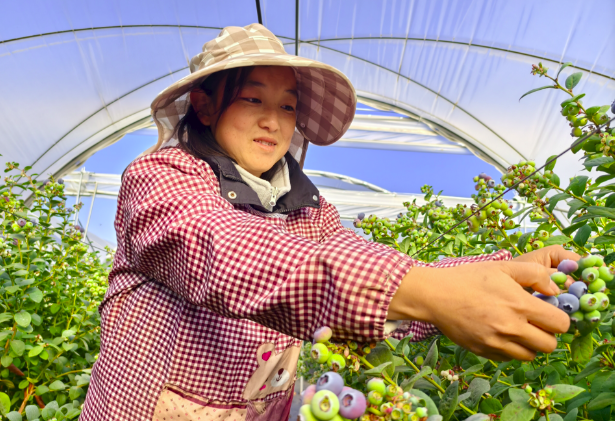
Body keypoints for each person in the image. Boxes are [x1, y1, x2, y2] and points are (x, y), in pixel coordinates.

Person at [81, 23, 576, 421]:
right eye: (252, 99)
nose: (273, 121)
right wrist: (428, 292)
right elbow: (222, 253)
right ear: (205, 105)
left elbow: (388, 284)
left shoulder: (308, 212)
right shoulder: (162, 177)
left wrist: (503, 270)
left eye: (288, 106)